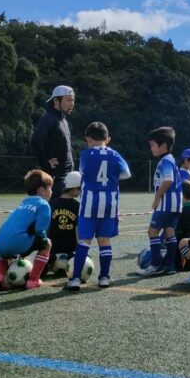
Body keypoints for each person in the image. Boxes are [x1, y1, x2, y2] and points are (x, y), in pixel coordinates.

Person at [65, 122, 131, 291]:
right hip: (110, 204)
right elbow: (126, 174)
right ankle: (104, 277)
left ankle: (75, 279)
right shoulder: (115, 154)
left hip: (89, 203)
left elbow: (82, 172)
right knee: (104, 241)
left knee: (84, 241)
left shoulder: (86, 154)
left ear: (88, 139)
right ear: (107, 139)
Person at [0, 169, 54, 291]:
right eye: (50, 188)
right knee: (47, 244)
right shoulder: (43, 204)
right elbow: (40, 229)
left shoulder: (23, 203)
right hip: (18, 242)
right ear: (42, 190)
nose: (51, 191)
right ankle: (33, 280)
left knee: (5, 253)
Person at [140, 126, 184, 276]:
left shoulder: (166, 161)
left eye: (152, 144)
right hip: (175, 204)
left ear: (163, 145)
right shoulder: (171, 159)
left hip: (166, 204)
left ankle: (156, 265)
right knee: (169, 232)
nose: (151, 148)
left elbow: (168, 179)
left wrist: (158, 196)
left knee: (152, 231)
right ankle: (170, 266)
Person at [30, 85, 75, 199]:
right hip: (54, 180)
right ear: (56, 100)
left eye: (73, 100)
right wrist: (45, 163)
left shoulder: (63, 120)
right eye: (68, 100)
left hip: (66, 178)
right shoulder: (48, 118)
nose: (72, 103)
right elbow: (35, 141)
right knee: (53, 209)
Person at [47, 171, 81, 273]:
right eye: (80, 189)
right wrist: (80, 249)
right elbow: (78, 230)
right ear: (74, 188)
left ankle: (50, 262)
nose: (81, 192)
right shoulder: (77, 206)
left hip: (53, 248)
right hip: (71, 249)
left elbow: (47, 227)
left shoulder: (52, 204)